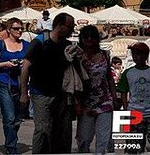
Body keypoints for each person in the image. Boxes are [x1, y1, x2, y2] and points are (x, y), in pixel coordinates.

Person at [20, 12, 76, 154]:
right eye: (70, 27)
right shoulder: (40, 42)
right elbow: (26, 66)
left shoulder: (67, 45)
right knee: (43, 130)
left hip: (61, 95)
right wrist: (23, 93)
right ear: (59, 25)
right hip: (40, 94)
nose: (72, 30)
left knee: (62, 131)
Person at [0, 17, 29, 154]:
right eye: (16, 28)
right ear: (9, 30)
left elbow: (32, 63)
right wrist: (6, 63)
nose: (19, 31)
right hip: (2, 81)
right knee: (9, 116)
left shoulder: (26, 45)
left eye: (21, 28)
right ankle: (11, 146)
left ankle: (11, 139)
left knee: (18, 117)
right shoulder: (1, 45)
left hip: (20, 83)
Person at [74, 25, 114, 155]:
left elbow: (109, 77)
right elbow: (73, 81)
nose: (89, 39)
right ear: (81, 38)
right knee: (84, 139)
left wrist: (114, 96)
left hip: (105, 100)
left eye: (92, 36)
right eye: (86, 36)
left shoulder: (104, 54)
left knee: (103, 138)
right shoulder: (77, 56)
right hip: (85, 101)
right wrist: (77, 102)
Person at [117, 42, 150, 152]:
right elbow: (123, 92)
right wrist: (126, 108)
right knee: (133, 147)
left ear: (146, 55)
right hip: (134, 114)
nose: (135, 56)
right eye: (134, 54)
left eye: (139, 54)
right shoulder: (128, 73)